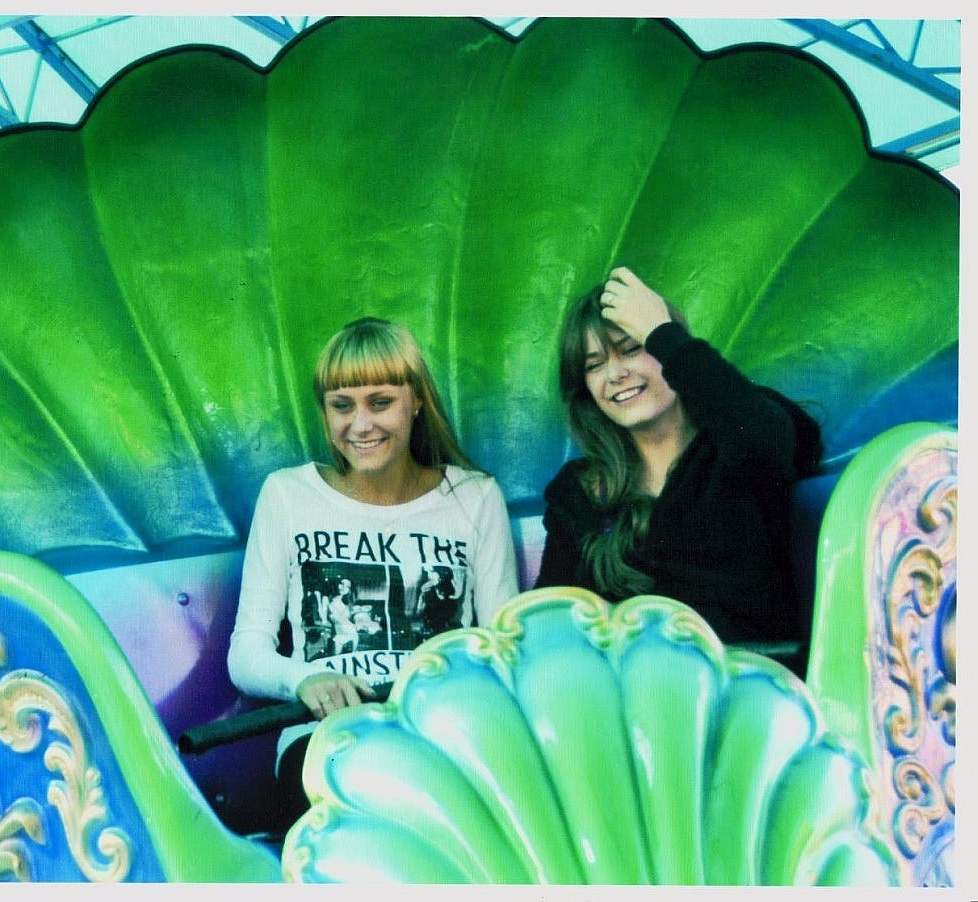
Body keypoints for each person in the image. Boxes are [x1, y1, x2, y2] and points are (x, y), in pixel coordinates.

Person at [228, 316, 519, 827]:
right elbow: (246, 653)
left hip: (444, 741)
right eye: (342, 406)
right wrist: (306, 679)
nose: (361, 425)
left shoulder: (476, 497)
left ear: (416, 401)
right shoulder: (287, 495)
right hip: (324, 746)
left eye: (380, 403)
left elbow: (504, 651)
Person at [535, 267, 822, 666]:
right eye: (594, 364)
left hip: (747, 684)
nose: (615, 374)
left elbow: (769, 442)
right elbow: (547, 622)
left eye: (632, 348)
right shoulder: (581, 492)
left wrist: (662, 332)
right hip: (628, 693)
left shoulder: (735, 438)